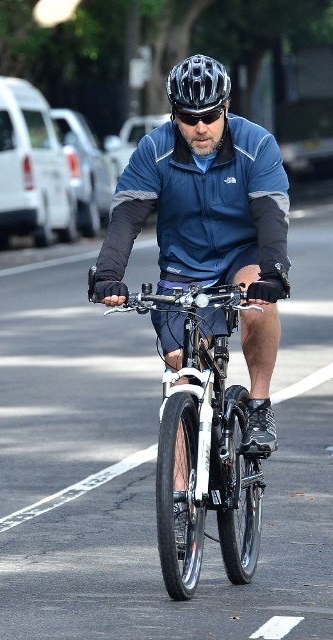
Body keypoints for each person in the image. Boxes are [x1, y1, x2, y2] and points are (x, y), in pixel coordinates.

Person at [92, 54, 291, 457]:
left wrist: (273, 274)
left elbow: (271, 214)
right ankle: (180, 489)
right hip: (184, 266)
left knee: (257, 303)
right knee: (180, 373)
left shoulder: (257, 144)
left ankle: (258, 405)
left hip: (242, 255)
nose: (200, 128)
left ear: (226, 107)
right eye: (188, 117)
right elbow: (127, 215)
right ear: (174, 114)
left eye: (210, 116)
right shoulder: (154, 149)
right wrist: (108, 274)